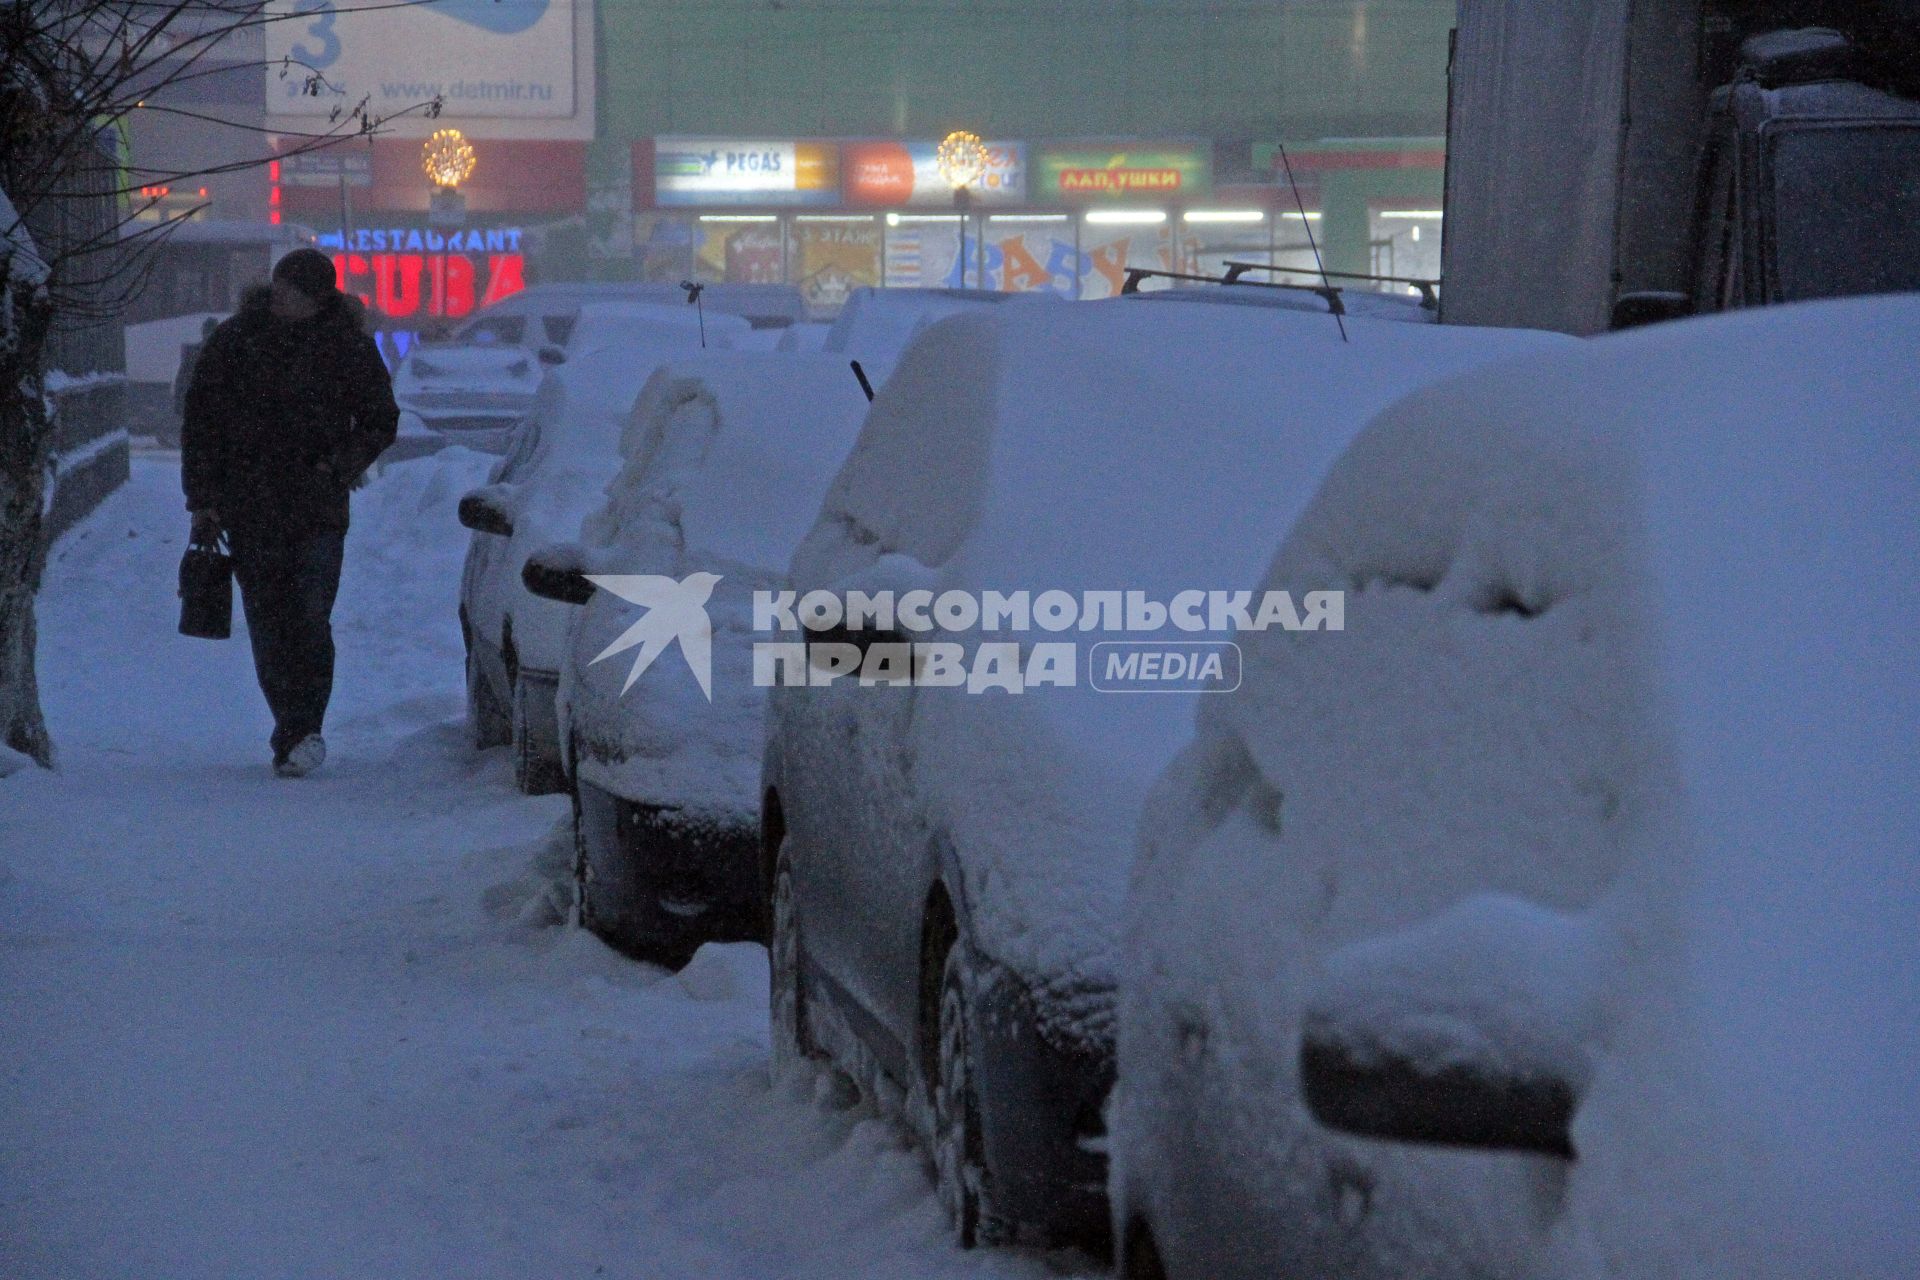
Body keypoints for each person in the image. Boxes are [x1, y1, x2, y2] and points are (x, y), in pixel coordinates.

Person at [181, 248, 398, 777]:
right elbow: (202, 421)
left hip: (318, 508)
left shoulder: (347, 347)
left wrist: (339, 466)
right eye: (278, 288)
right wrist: (204, 500)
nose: (282, 299)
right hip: (250, 506)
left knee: (309, 615)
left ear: (319, 298)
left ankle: (306, 724)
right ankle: (293, 729)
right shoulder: (236, 341)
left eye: (293, 292)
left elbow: (380, 417)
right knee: (269, 621)